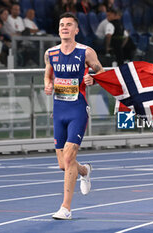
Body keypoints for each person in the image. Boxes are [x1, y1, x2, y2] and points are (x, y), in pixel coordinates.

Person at [44, 12, 104, 220]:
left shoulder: (86, 52)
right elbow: (48, 71)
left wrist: (93, 80)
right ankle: (85, 171)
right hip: (59, 110)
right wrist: (47, 83)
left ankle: (66, 208)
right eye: (62, 24)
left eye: (69, 25)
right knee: (63, 164)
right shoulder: (50, 53)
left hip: (78, 109)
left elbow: (100, 72)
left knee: (69, 158)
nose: (64, 27)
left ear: (76, 30)